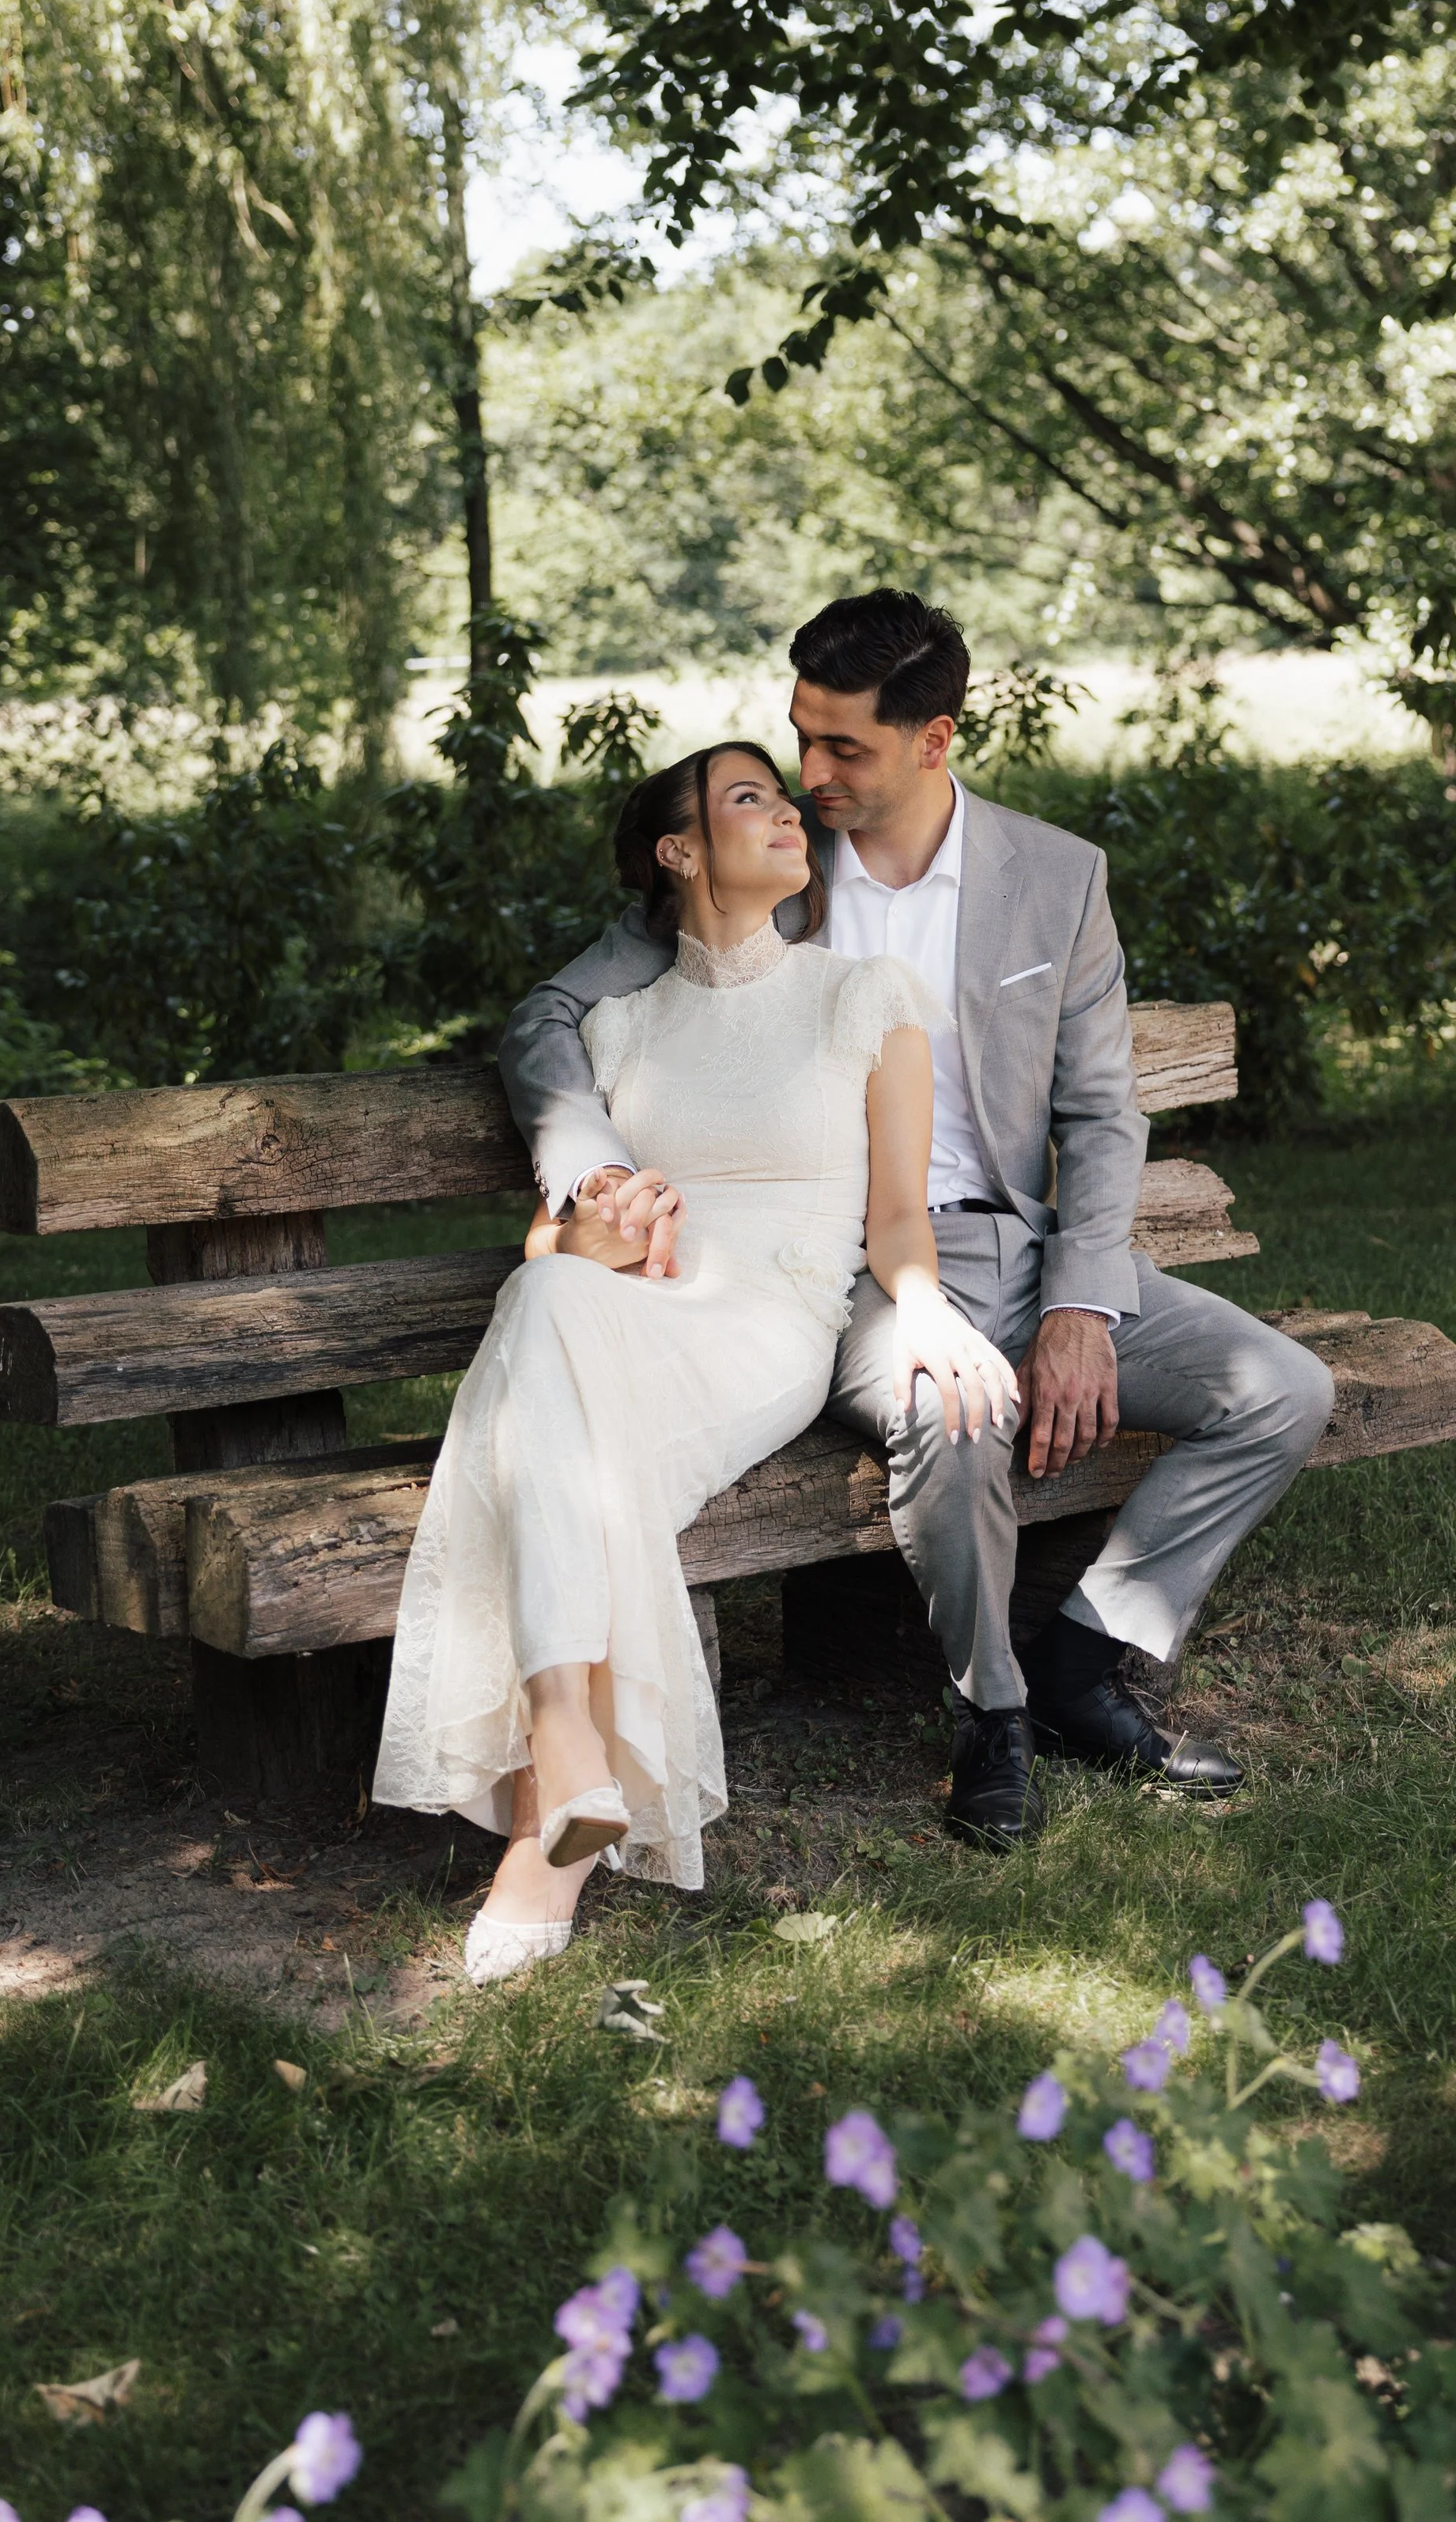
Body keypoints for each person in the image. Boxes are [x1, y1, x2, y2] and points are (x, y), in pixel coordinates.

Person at [501, 591, 1337, 1851]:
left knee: (1282, 1387)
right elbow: (547, 1017)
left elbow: (1105, 1118)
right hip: (849, 1267)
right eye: (803, 738)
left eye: (845, 748)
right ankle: (991, 1714)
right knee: (954, 1410)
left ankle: (1084, 1658)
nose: (810, 774)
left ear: (936, 738)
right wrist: (595, 1173)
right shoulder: (765, 865)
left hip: (1015, 1239)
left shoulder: (1056, 882)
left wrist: (1078, 1304)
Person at [373, 737, 1019, 1979]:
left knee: (541, 1348)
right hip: (628, 1312)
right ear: (679, 852)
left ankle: (553, 1789)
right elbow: (549, 1242)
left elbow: (895, 1218)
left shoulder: (863, 997)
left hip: (765, 1322)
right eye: (747, 798)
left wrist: (928, 1307)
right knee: (550, 1295)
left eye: (785, 797)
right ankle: (561, 1763)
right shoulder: (618, 1029)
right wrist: (591, 1232)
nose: (788, 811)